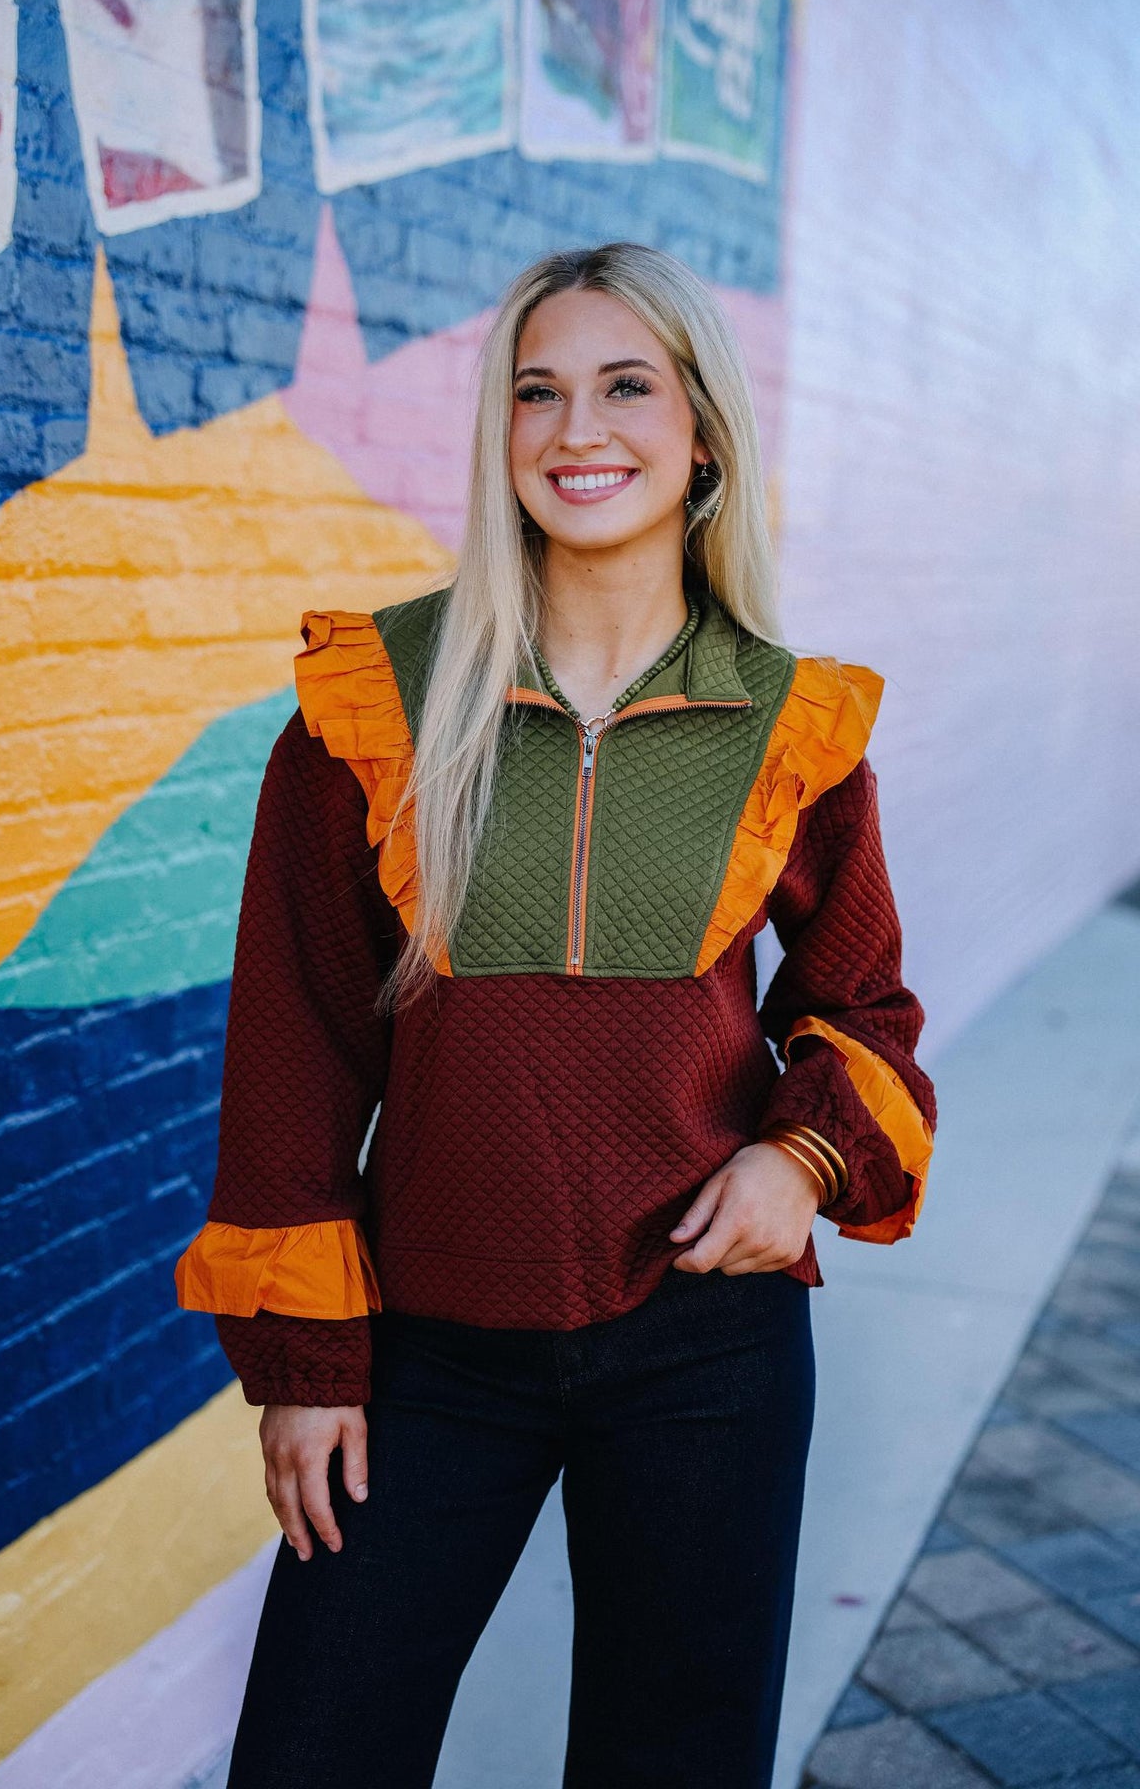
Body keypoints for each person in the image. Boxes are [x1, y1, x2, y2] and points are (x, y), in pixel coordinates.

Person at [174, 240, 936, 1789]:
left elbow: (860, 1003)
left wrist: (798, 1161)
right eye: (537, 392)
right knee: (316, 1751)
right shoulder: (373, 707)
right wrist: (308, 1369)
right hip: (424, 1352)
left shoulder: (793, 724)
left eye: (625, 386)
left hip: (706, 1346)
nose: (577, 429)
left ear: (702, 433)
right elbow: (295, 1051)